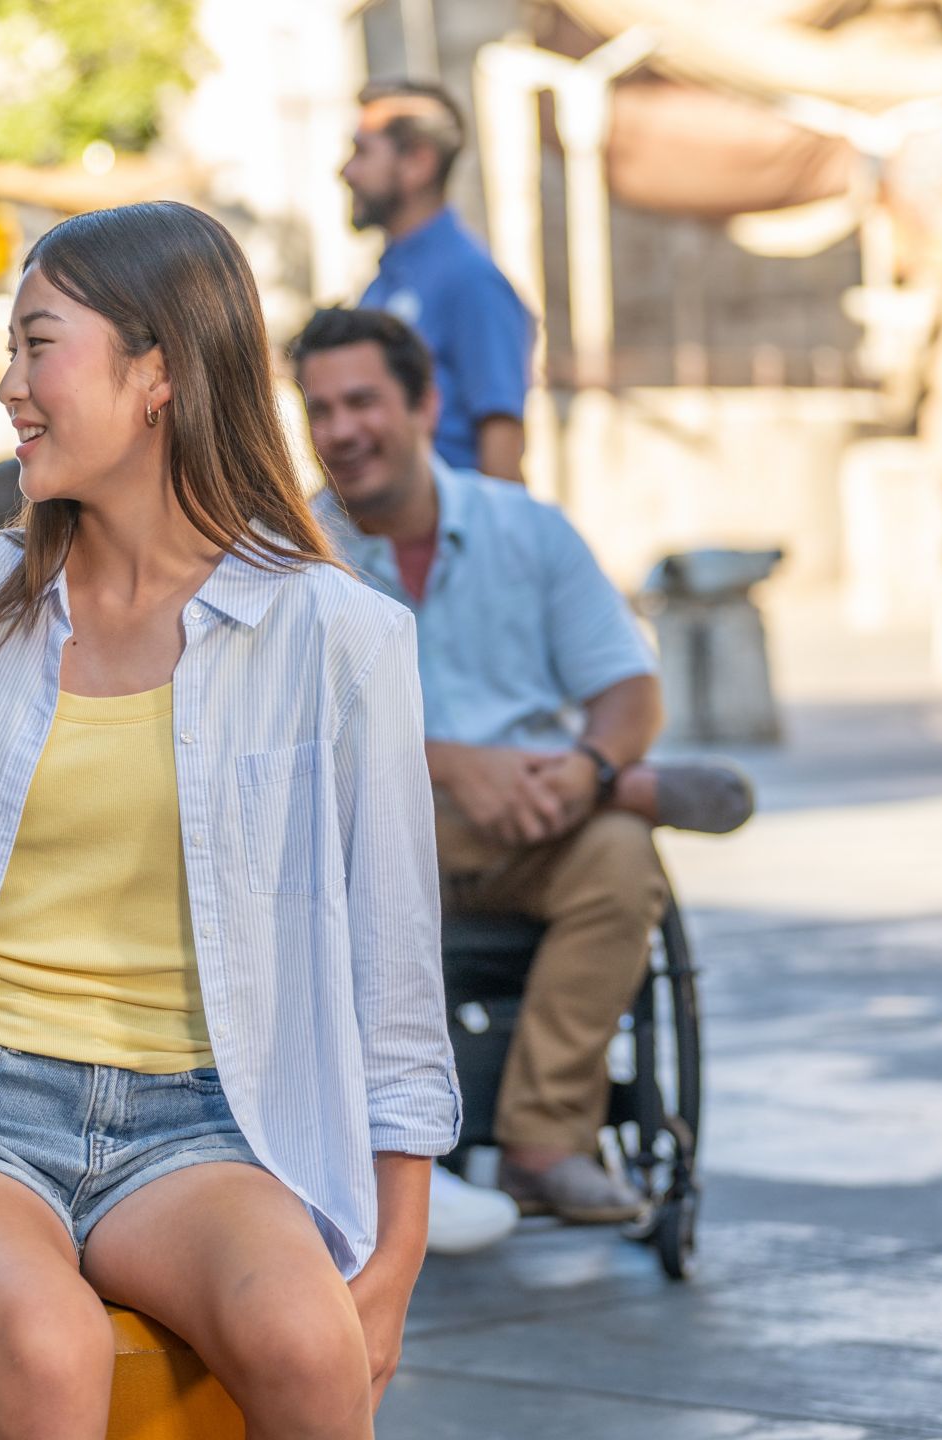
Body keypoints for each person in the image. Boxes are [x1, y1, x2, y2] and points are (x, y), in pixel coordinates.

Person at [0, 202, 457, 1439]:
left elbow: (392, 980)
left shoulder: (338, 639)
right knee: (48, 1344)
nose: (10, 387)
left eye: (38, 346)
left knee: (309, 1348)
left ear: (158, 374)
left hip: (205, 1121)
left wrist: (394, 1257)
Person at [292, 306, 752, 1225]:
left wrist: (585, 767)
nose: (342, 430)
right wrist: (450, 765)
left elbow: (628, 689)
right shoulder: (289, 554)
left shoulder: (528, 533)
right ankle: (633, 794)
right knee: (396, 808)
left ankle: (544, 1142)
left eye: (362, 402)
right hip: (372, 844)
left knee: (620, 856)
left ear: (425, 404)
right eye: (320, 410)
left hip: (540, 824)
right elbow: (275, 732)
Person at [344, 80, 533, 484]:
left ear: (417, 163)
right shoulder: (384, 282)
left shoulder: (471, 280)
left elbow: (501, 453)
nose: (346, 171)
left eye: (362, 151)